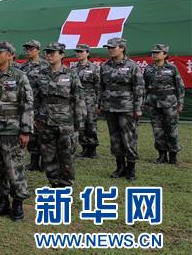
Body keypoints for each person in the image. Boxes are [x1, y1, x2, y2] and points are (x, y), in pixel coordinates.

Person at [0, 41, 33, 221]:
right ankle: (2, 201)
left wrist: (25, 131)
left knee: (14, 168)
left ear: (10, 55)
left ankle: (18, 203)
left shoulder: (19, 76)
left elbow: (27, 104)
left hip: (11, 130)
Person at [35, 43, 84, 187]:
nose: (49, 55)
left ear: (62, 55)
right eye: (47, 53)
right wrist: (35, 117)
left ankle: (66, 184)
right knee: (48, 155)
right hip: (45, 121)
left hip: (65, 122)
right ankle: (54, 183)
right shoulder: (41, 74)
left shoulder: (71, 74)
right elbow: (36, 98)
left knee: (66, 154)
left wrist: (79, 122)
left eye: (53, 53)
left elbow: (79, 99)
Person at [99, 37, 145, 180]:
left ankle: (131, 169)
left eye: (113, 48)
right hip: (110, 107)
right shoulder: (105, 66)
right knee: (115, 139)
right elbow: (101, 87)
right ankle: (120, 167)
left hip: (127, 108)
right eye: (109, 48)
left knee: (129, 138)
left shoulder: (132, 65)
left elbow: (139, 88)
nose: (110, 50)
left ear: (122, 48)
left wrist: (138, 108)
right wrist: (99, 103)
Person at [144, 44, 184, 164]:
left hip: (170, 104)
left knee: (171, 130)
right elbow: (144, 87)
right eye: (153, 52)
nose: (154, 54)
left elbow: (180, 86)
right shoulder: (148, 69)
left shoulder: (172, 68)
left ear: (165, 54)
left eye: (157, 52)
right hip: (153, 104)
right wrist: (144, 102)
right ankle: (162, 155)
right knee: (157, 130)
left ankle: (173, 155)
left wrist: (180, 103)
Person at [18, 40, 48, 171]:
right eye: (27, 49)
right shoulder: (23, 67)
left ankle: (45, 162)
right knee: (32, 135)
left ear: (38, 50)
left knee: (44, 134)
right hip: (28, 106)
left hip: (41, 104)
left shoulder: (45, 66)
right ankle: (34, 161)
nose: (29, 51)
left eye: (32, 49)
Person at [71, 44, 101, 158]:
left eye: (81, 51)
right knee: (80, 123)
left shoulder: (94, 68)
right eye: (77, 51)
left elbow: (99, 86)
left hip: (90, 99)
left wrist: (98, 102)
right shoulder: (73, 68)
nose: (79, 53)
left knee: (91, 123)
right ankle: (84, 147)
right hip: (77, 99)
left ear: (87, 53)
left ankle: (92, 149)